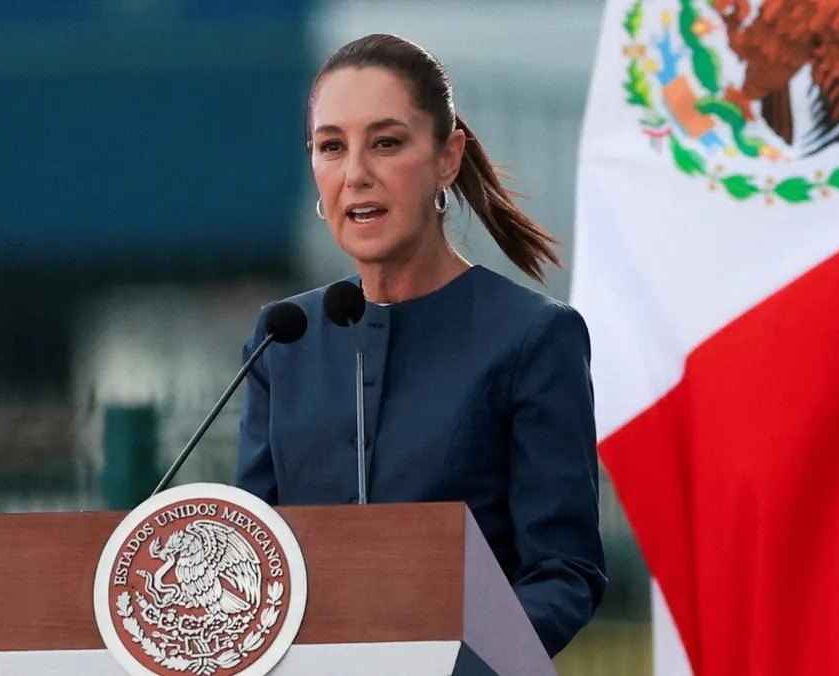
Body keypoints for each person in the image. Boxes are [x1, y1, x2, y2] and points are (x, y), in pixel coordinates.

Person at [234, 33, 606, 659]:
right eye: (331, 146)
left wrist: (452, 663)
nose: (356, 174)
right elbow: (254, 558)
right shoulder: (284, 337)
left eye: (386, 143)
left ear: (447, 157)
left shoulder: (533, 337)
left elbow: (564, 573)